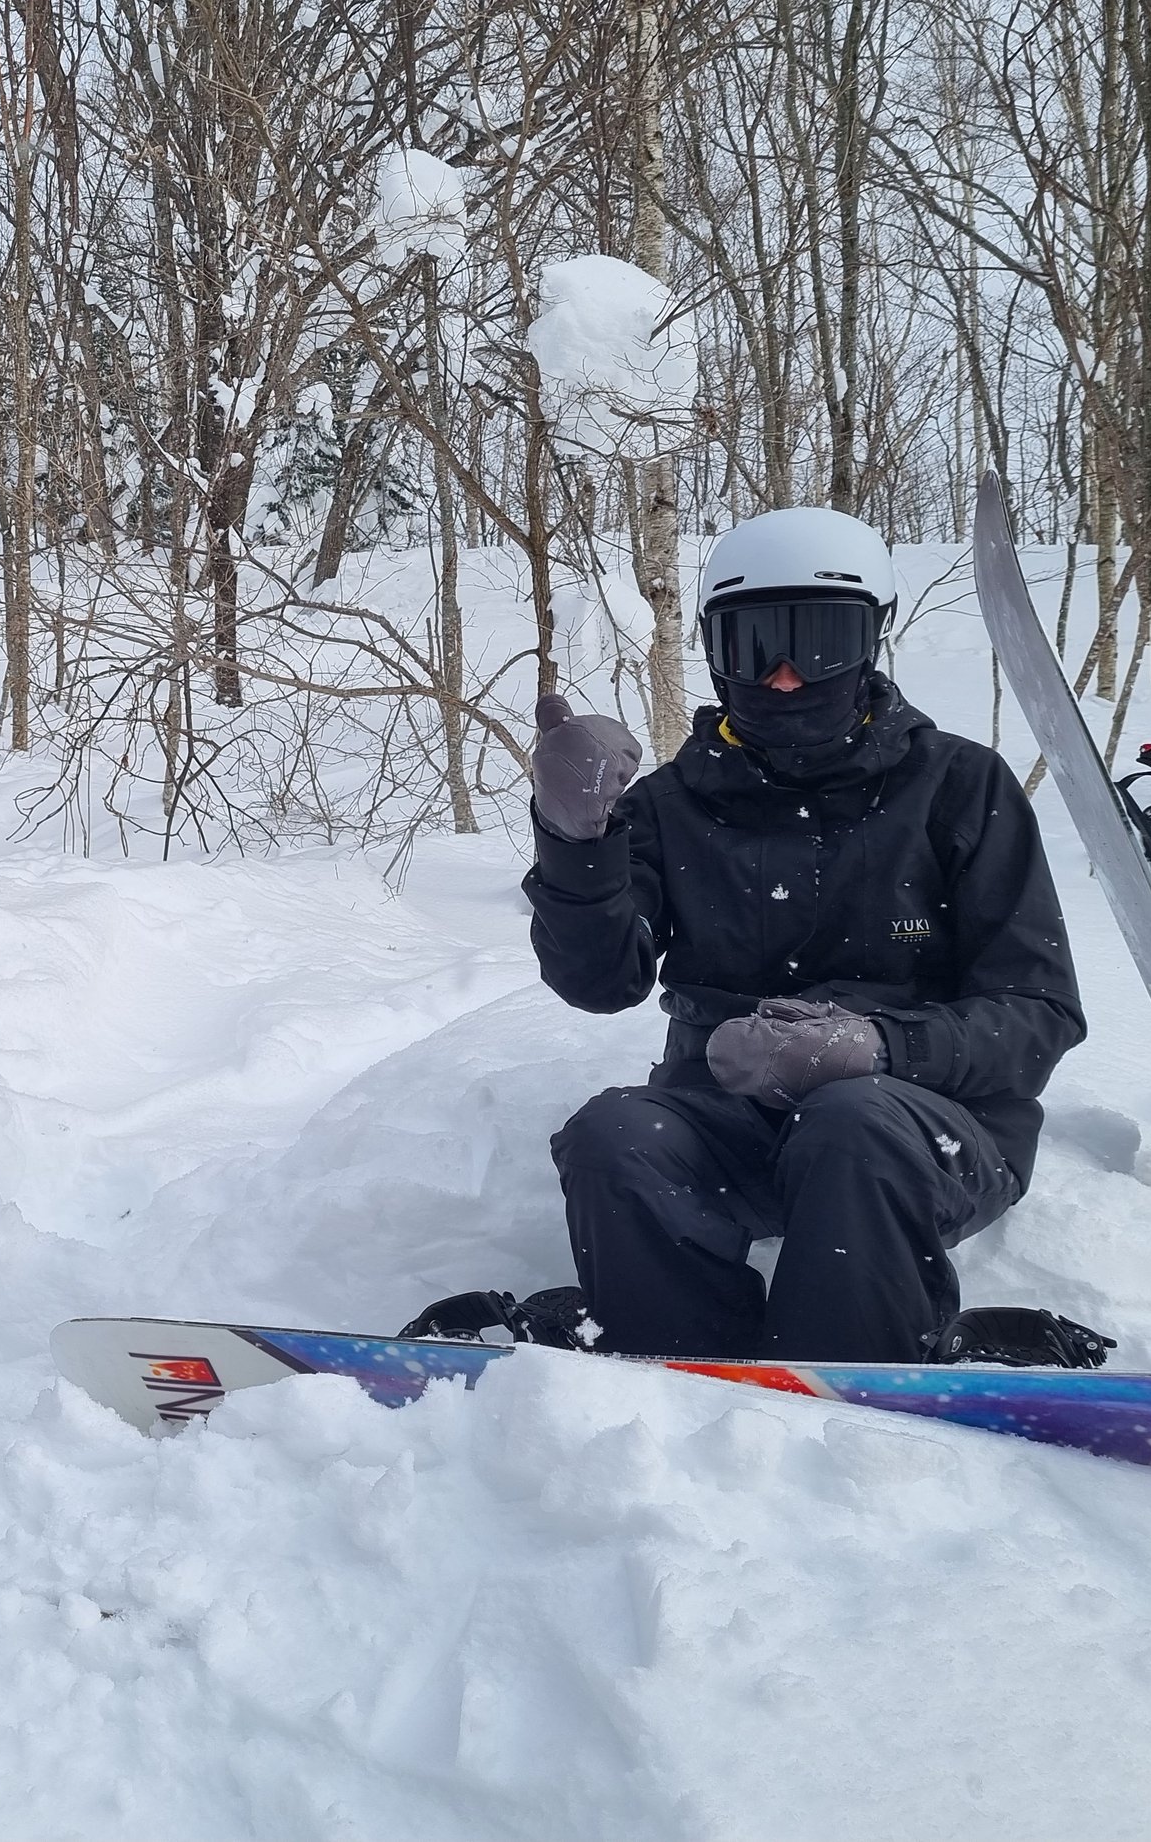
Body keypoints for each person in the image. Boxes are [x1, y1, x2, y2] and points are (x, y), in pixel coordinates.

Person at [410, 508, 1088, 1364]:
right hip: (729, 1119)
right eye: (753, 644)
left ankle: (860, 1364)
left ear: (872, 640)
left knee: (851, 1123)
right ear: (712, 651)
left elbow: (1038, 1012)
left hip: (930, 1132)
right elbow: (601, 981)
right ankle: (681, 1363)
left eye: (820, 642)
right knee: (614, 1134)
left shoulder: (957, 786)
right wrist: (577, 843)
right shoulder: (671, 803)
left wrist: (878, 1047)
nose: (784, 678)